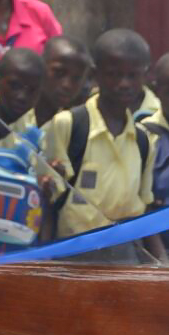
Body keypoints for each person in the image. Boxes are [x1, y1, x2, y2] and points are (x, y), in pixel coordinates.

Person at [44, 29, 155, 258]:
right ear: (95, 75)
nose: (124, 84)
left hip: (125, 253)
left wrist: (161, 262)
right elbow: (50, 202)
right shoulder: (69, 125)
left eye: (133, 75)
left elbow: (145, 207)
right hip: (73, 250)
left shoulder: (143, 140)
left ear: (145, 76)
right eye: (114, 74)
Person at [141, 52, 169, 261]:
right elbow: (142, 207)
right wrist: (162, 262)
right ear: (157, 91)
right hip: (160, 253)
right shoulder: (144, 136)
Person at [34, 35, 93, 127]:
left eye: (76, 78)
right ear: (41, 66)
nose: (67, 85)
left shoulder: (78, 127)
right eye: (59, 73)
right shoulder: (13, 114)